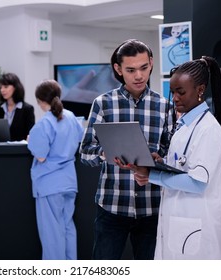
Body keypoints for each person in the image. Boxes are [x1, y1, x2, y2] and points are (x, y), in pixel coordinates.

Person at [126, 56, 221, 259]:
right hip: (179, 223)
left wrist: (152, 175)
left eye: (181, 92)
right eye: (173, 92)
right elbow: (182, 166)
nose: (175, 98)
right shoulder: (184, 126)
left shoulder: (208, 129)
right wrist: (161, 163)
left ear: (200, 90)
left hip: (196, 227)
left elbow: (197, 183)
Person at [79, 39, 174, 260]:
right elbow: (85, 152)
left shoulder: (164, 106)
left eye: (143, 68)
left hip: (152, 207)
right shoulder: (103, 103)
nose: (139, 76)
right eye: (131, 70)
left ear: (151, 63)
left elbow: (172, 155)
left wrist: (159, 159)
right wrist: (104, 154)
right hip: (112, 206)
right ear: (118, 69)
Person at [27, 79, 84, 260]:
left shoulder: (44, 124)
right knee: (67, 229)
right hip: (68, 182)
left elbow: (41, 156)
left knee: (52, 235)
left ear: (40, 101)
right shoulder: (71, 117)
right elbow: (80, 140)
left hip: (49, 185)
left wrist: (31, 141)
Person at [0, 73, 35, 141]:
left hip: (20, 150)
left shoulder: (27, 109)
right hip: (1, 149)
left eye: (6, 87)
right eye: (0, 87)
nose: (2, 90)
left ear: (15, 87)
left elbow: (30, 135)